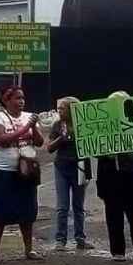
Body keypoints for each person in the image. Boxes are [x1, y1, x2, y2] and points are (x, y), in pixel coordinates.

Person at [0, 86, 45, 263]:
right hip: (5, 169)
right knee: (3, 209)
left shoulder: (29, 117)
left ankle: (29, 249)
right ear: (7, 100)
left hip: (28, 169)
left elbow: (40, 142)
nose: (21, 101)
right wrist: (25, 128)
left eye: (23, 98)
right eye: (17, 98)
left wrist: (33, 127)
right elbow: (1, 139)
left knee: (28, 210)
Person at [96, 91, 133, 261]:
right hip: (110, 173)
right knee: (114, 212)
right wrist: (106, 153)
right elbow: (94, 148)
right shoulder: (102, 125)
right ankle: (118, 250)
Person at [47, 96, 94, 251]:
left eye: (62, 108)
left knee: (78, 205)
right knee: (62, 205)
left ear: (72, 110)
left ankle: (80, 238)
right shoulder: (58, 125)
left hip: (80, 167)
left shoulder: (84, 125)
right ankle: (60, 240)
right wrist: (62, 137)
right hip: (62, 167)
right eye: (58, 108)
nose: (59, 111)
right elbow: (50, 148)